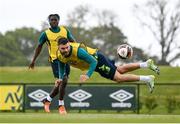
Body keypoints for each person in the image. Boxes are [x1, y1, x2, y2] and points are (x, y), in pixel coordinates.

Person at [56, 37, 160, 96]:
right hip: (98, 61)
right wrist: (60, 78)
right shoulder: (59, 55)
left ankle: (147, 79)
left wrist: (87, 75)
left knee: (118, 78)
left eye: (67, 47)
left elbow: (93, 62)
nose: (65, 50)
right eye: (63, 49)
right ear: (58, 48)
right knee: (120, 69)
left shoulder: (78, 51)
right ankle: (146, 64)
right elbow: (61, 65)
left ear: (69, 45)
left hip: (98, 61)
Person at [29, 14, 76, 114]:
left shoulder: (64, 30)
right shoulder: (45, 34)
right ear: (49, 21)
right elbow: (39, 47)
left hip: (65, 58)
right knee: (63, 80)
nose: (53, 21)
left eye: (55, 20)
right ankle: (61, 105)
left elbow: (73, 42)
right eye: (52, 20)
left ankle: (47, 100)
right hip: (55, 60)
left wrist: (75, 55)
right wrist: (33, 60)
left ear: (58, 21)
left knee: (63, 82)